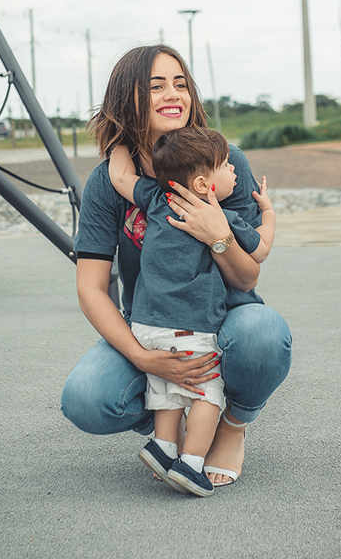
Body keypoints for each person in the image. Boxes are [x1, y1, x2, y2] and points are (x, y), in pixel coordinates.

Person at [61, 44, 293, 488]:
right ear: (128, 98)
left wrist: (217, 234)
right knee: (87, 397)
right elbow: (91, 289)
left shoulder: (223, 163)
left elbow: (248, 275)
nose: (173, 94)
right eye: (156, 85)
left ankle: (231, 426)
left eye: (180, 83)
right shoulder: (108, 183)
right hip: (156, 324)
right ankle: (170, 427)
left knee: (264, 334)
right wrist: (145, 358)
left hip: (226, 317)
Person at [106, 126, 275, 496]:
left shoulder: (154, 197)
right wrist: (267, 211)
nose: (235, 170)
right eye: (227, 166)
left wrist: (119, 138)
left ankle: (164, 447)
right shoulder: (221, 216)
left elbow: (119, 175)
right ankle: (191, 464)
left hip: (147, 324)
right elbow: (260, 251)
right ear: (203, 184)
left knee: (167, 387)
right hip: (194, 325)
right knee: (205, 393)